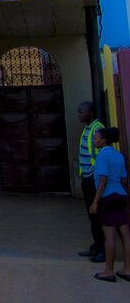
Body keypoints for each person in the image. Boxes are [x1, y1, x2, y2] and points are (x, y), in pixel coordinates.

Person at [88, 127, 129, 282]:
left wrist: (95, 202)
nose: (94, 140)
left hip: (108, 197)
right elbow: (124, 181)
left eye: (96, 138)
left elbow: (103, 180)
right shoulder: (119, 155)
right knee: (125, 234)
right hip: (121, 196)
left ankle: (109, 270)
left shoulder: (102, 156)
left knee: (109, 236)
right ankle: (127, 268)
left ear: (103, 140)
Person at [76, 101, 105, 262]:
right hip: (87, 178)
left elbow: (102, 154)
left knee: (97, 214)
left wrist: (93, 173)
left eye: (82, 112)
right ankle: (96, 245)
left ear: (91, 113)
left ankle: (102, 249)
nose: (79, 115)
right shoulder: (88, 128)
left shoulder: (97, 129)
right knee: (92, 216)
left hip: (93, 179)